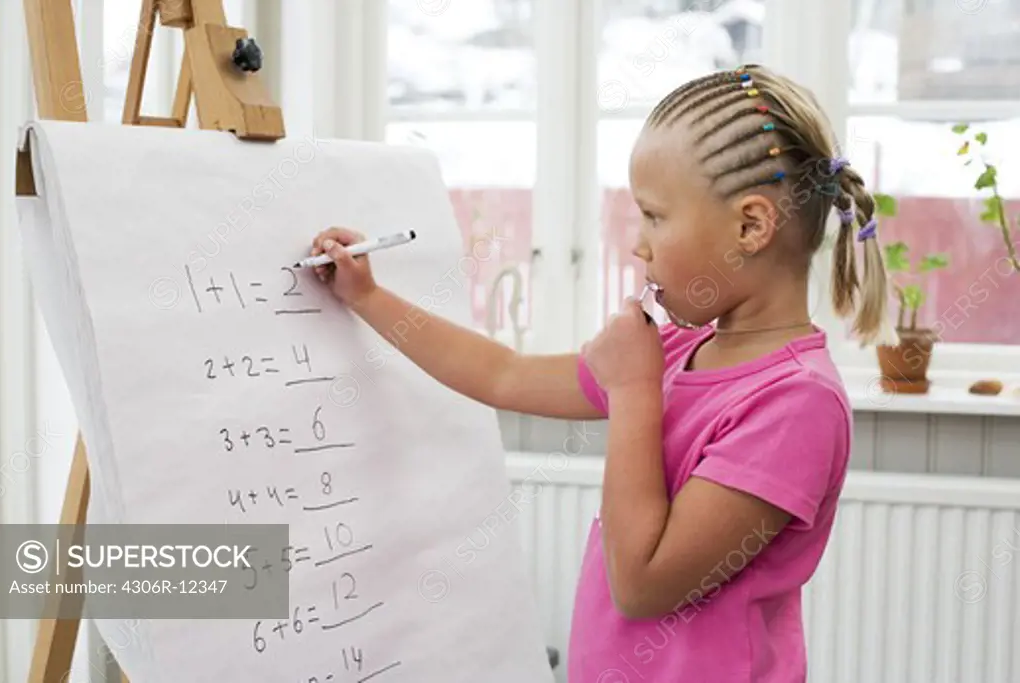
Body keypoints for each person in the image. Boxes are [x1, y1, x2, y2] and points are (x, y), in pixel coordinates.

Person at [307, 64, 893, 683]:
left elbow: (644, 584)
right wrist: (368, 297)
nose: (638, 245)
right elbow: (503, 375)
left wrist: (635, 391)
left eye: (655, 216)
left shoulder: (796, 403)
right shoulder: (674, 350)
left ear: (750, 226)